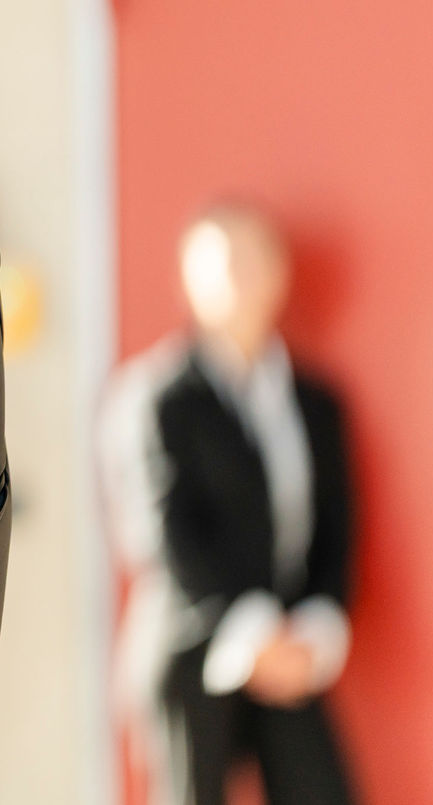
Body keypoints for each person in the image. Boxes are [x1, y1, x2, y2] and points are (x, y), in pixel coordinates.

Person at [101, 204, 356, 805]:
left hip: (292, 655)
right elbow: (161, 535)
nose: (242, 275)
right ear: (190, 279)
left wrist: (315, 629)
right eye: (224, 261)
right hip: (194, 651)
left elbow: (336, 526)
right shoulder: (157, 396)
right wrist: (254, 636)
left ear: (281, 273)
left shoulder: (315, 400)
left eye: (255, 257)